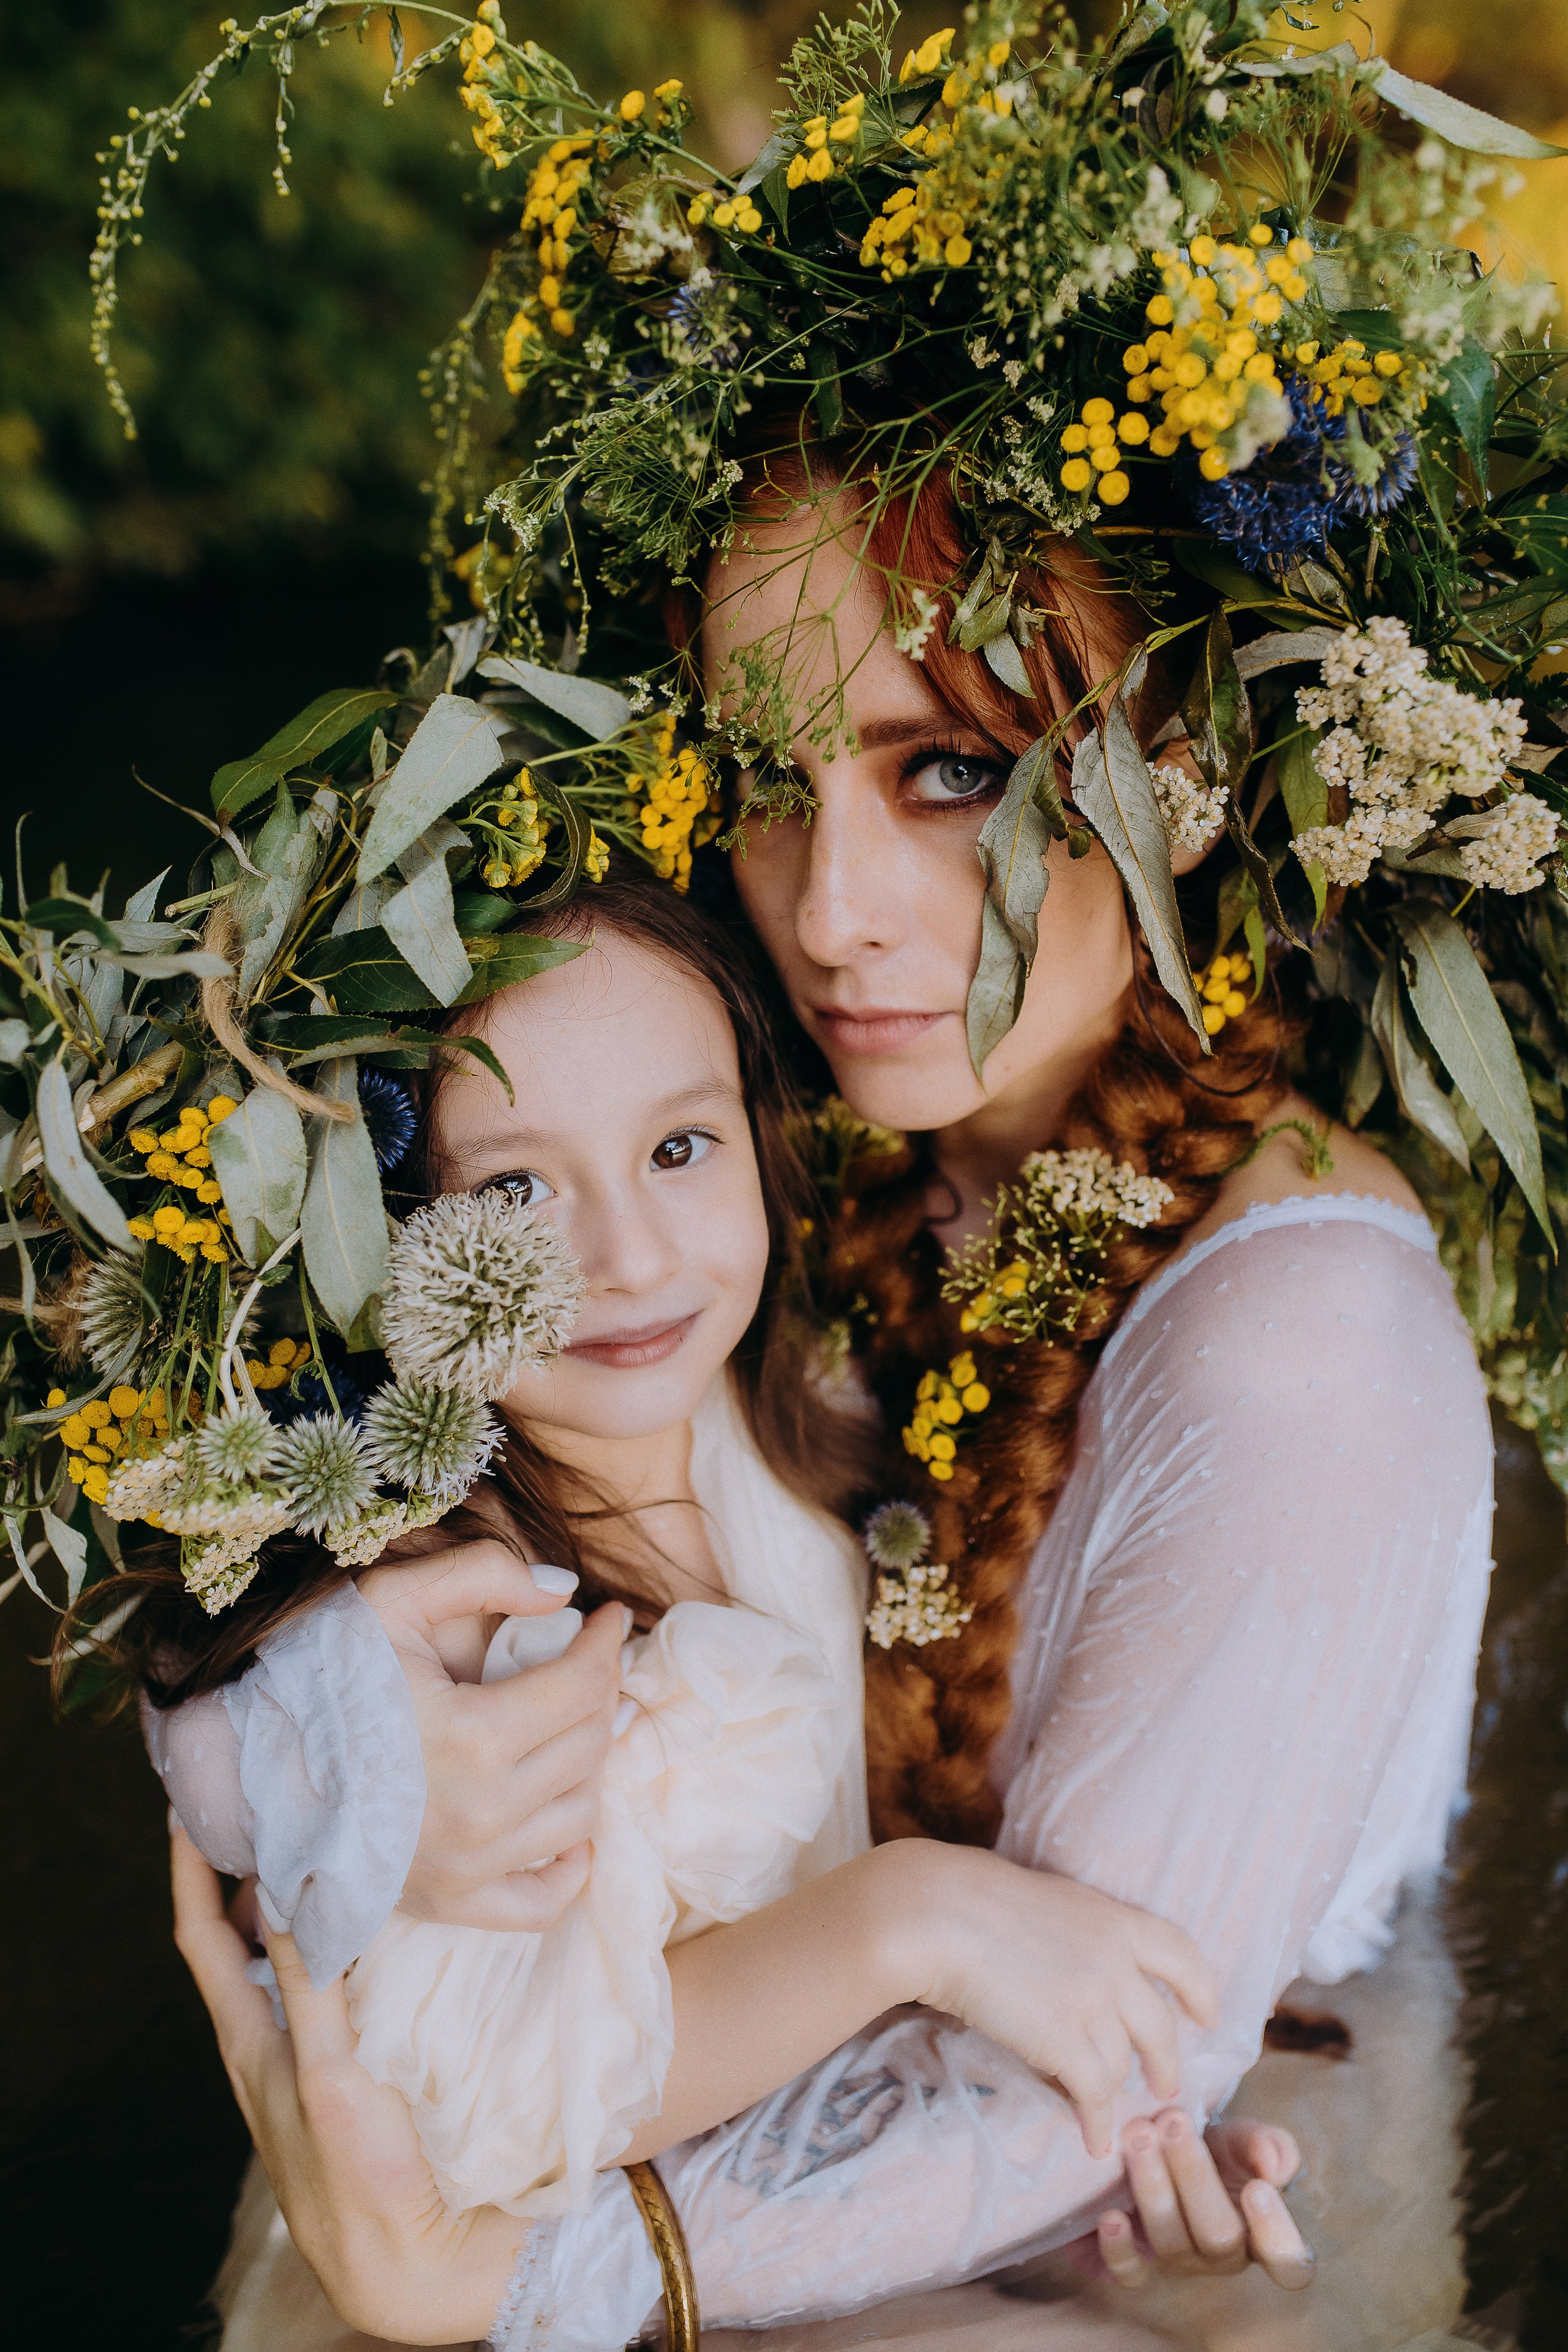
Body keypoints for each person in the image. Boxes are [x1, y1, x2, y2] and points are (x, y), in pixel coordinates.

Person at [36, 7, 1559, 2346]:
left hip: (1064, 2249)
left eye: (952, 772)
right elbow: (292, 1534)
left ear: (1202, 756)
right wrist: (343, 1743)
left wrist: (493, 2270)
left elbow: (1065, 2101)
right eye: (767, 779)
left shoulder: (1299, 1353)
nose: (828, 910)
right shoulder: (755, 1139)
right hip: (632, 2076)